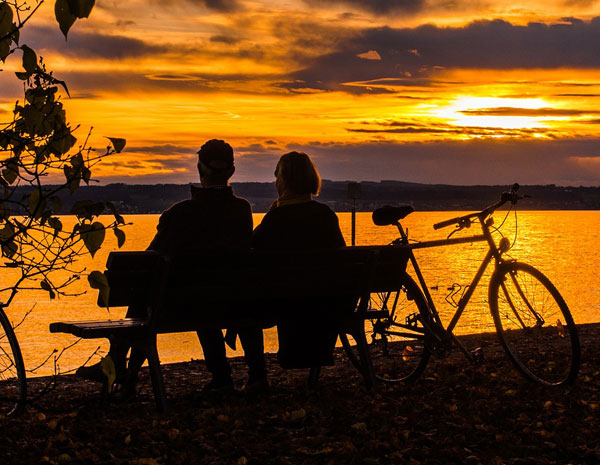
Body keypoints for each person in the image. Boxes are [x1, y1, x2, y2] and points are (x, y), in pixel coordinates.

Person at [76, 139, 266, 394]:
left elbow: (148, 260)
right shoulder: (242, 210)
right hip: (234, 302)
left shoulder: (181, 214)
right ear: (231, 171)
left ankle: (119, 365)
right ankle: (242, 376)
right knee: (193, 292)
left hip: (185, 307)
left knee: (149, 288)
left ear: (200, 169)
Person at [252, 151, 346, 369]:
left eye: (277, 177)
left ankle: (257, 374)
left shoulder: (277, 218)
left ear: (284, 181)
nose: (276, 182)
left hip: (287, 302)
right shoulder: (326, 215)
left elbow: (252, 247)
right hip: (327, 302)